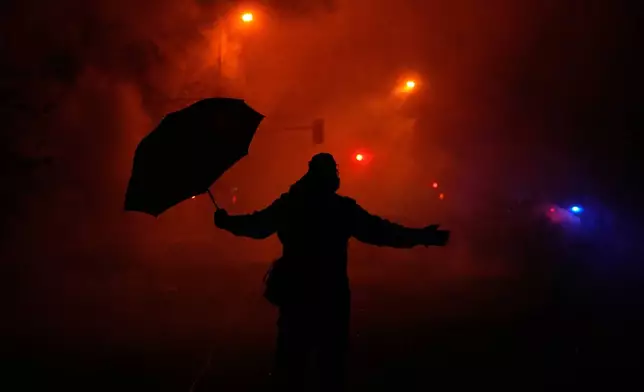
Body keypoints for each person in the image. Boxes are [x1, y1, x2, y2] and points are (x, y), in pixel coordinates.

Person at [214, 153, 449, 391]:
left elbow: (257, 226)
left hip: (297, 294)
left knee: (291, 366)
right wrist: (421, 236)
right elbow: (381, 232)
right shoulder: (340, 209)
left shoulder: (291, 204)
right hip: (331, 294)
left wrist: (227, 222)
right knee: (330, 369)